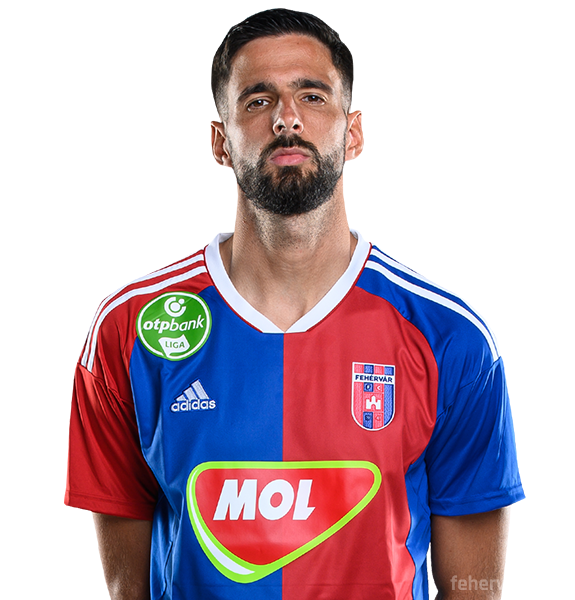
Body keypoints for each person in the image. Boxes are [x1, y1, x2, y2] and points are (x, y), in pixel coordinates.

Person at [65, 8, 525, 600]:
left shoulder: (451, 338)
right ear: (220, 143)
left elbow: (474, 590)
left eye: (312, 96)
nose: (286, 118)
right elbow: (127, 588)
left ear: (353, 133)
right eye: (258, 101)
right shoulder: (128, 330)